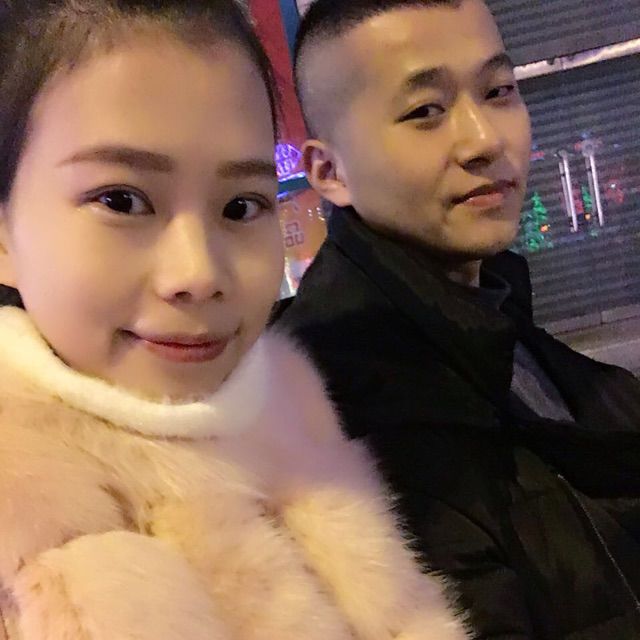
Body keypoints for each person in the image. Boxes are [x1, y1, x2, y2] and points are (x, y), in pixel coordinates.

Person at [0, 2, 467, 639]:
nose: (199, 272)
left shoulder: (296, 423)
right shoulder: (25, 530)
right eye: (122, 200)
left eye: (242, 206)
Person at [276, 0, 640, 638]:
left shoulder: (485, 315)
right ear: (329, 172)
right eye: (426, 111)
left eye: (498, 91)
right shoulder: (343, 414)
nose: (484, 139)